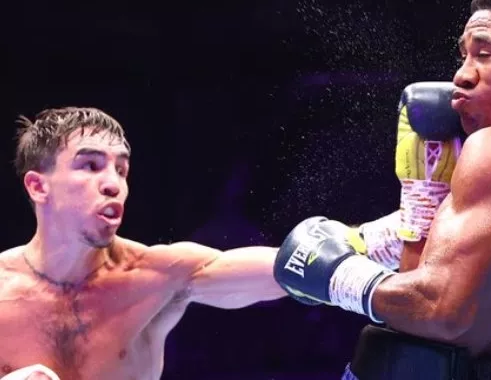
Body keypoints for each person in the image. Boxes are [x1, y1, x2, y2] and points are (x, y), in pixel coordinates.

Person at [273, 0, 491, 379]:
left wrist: (335, 275)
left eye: (485, 54)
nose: (462, 75)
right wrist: (422, 197)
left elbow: (437, 310)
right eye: (463, 56)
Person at [0, 107, 287, 379]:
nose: (113, 184)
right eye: (91, 166)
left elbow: (280, 270)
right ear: (38, 186)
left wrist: (314, 263)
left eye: (121, 170)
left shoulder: (154, 276)